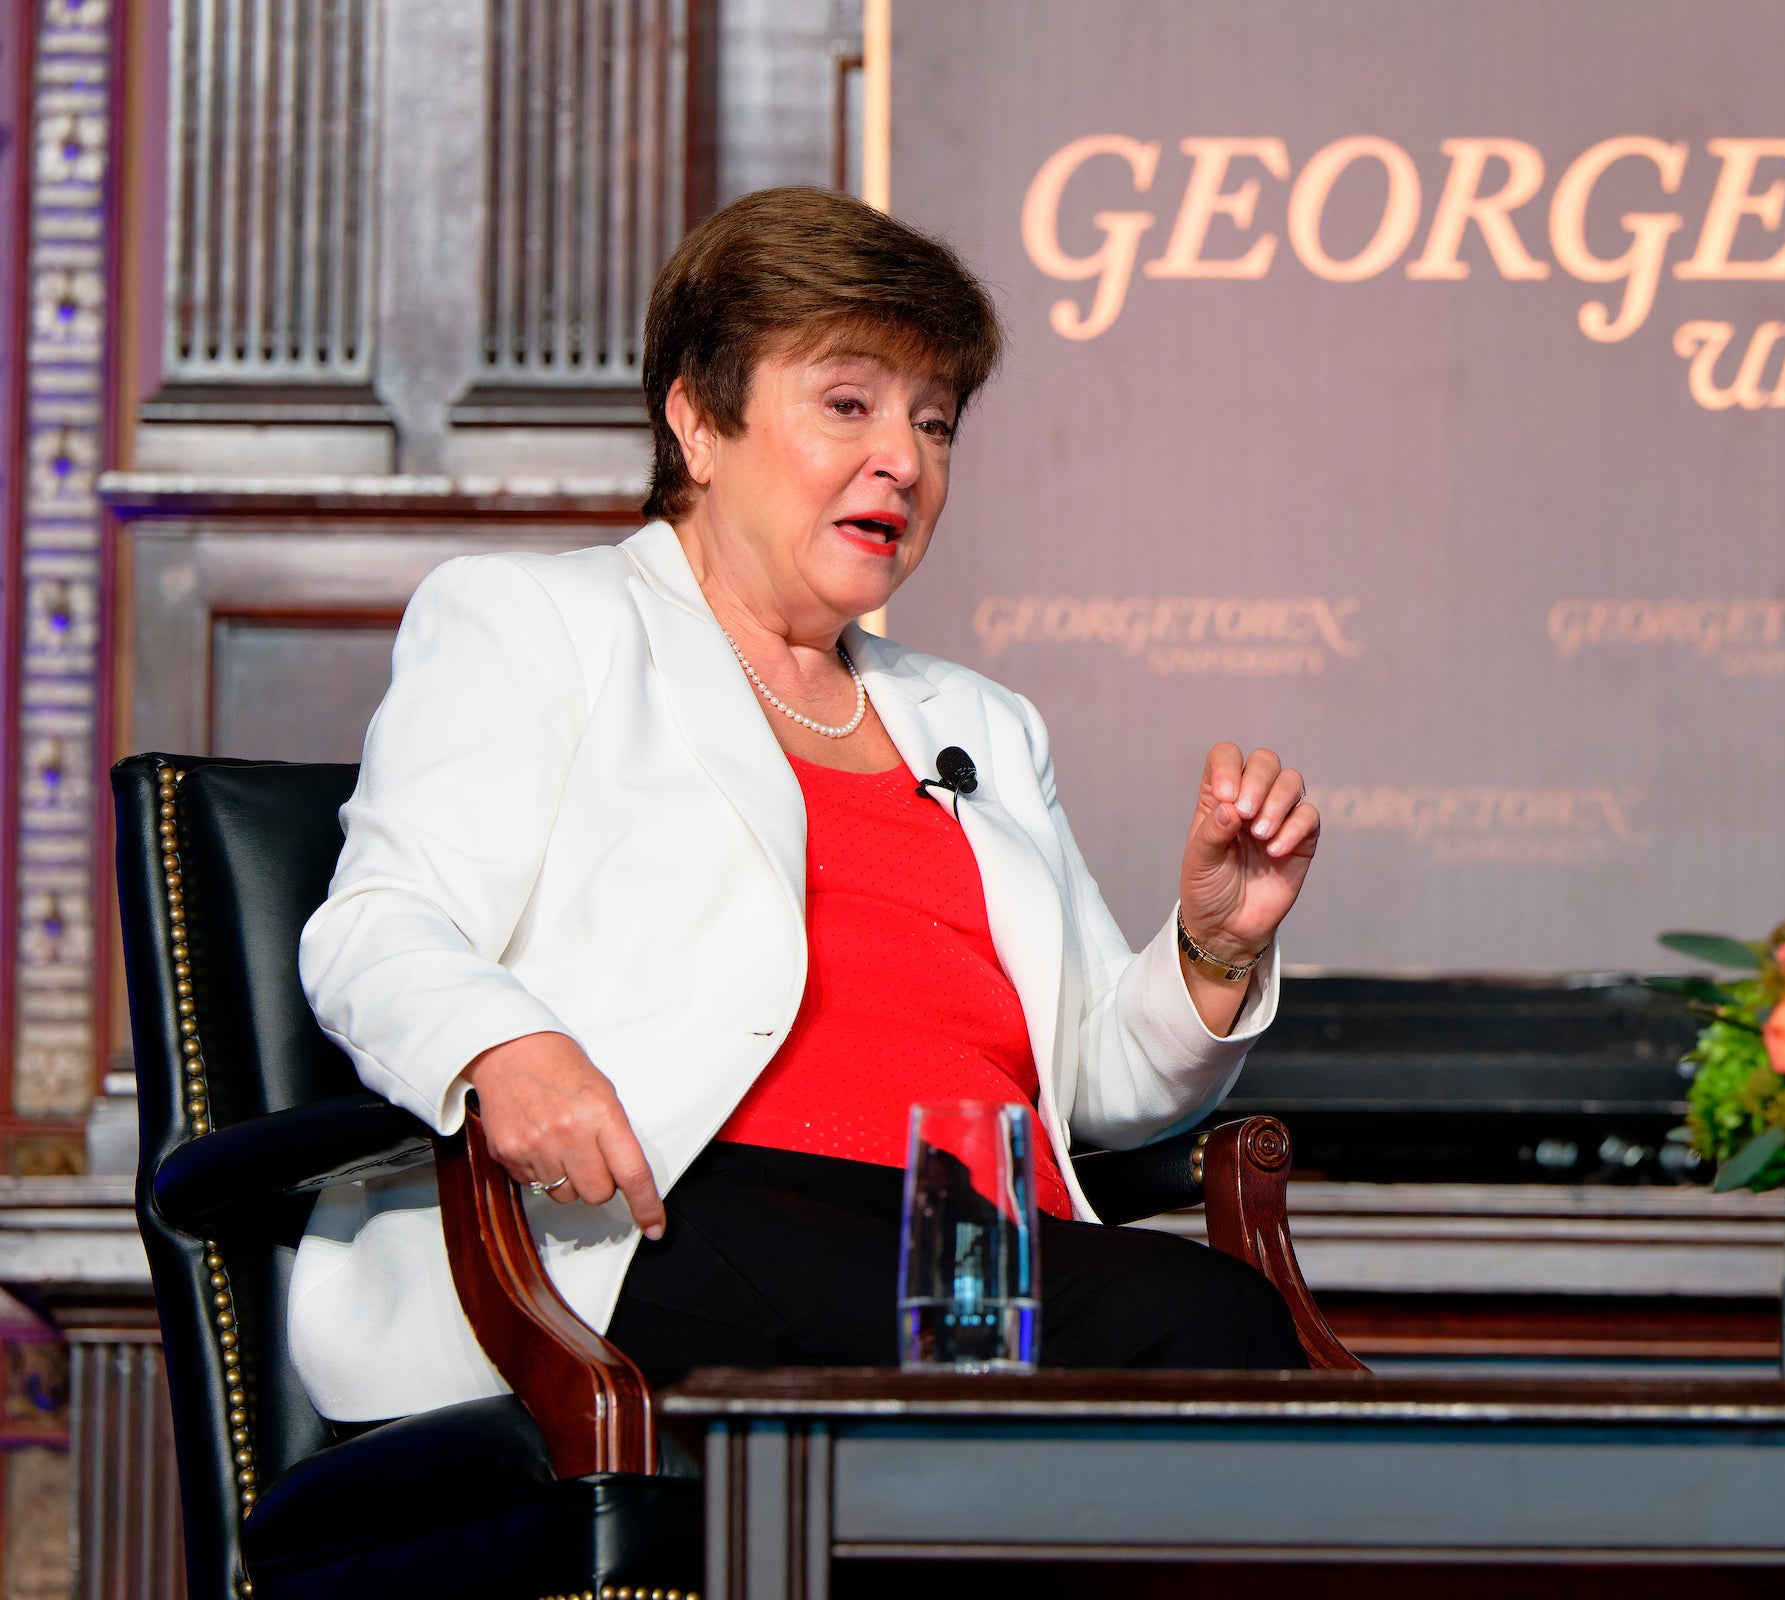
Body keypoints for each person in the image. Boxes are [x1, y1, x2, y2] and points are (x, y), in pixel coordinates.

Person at [289, 187, 1319, 1422]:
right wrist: (507, 1050)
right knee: (1204, 1317)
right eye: (848, 405)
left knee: (1199, 1342)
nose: (905, 459)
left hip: (974, 1242)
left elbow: (1094, 1076)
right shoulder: (541, 624)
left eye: (934, 424)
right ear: (698, 421)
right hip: (673, 1219)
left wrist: (1214, 940)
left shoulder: (979, 723)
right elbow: (376, 929)